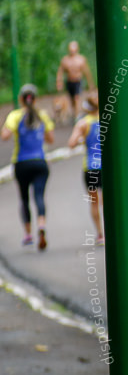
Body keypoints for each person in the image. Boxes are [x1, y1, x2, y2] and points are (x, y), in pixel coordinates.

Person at [1, 84, 55, 250]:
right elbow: (50, 139)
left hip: (21, 162)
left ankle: (28, 235)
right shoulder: (42, 115)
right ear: (35, 98)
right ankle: (41, 225)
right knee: (39, 196)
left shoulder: (15, 115)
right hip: (40, 162)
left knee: (24, 198)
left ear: (20, 99)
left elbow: (5, 136)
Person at [68, 92, 104, 243]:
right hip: (107, 167)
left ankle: (100, 234)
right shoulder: (107, 120)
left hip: (90, 167)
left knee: (94, 202)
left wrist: (83, 138)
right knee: (110, 201)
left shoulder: (83, 124)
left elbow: (71, 143)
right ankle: (114, 230)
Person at [56, 41, 95, 122]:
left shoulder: (81, 59)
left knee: (76, 98)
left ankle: (77, 117)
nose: (72, 51)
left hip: (78, 81)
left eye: (73, 49)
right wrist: (59, 82)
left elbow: (86, 71)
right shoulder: (65, 60)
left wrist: (90, 83)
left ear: (77, 49)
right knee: (71, 99)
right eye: (70, 50)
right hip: (69, 82)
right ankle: (74, 113)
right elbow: (60, 71)